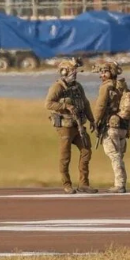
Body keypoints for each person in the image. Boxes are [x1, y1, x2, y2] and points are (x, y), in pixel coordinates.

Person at [45, 57, 96, 193]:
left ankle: (84, 184)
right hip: (65, 127)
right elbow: (48, 104)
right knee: (65, 156)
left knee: (86, 151)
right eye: (72, 71)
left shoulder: (78, 87)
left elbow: (85, 103)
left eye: (76, 71)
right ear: (64, 72)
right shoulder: (57, 87)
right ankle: (66, 184)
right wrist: (65, 106)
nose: (75, 74)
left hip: (78, 125)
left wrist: (92, 120)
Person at [92, 61, 130, 193]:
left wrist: (95, 122)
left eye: (103, 72)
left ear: (109, 73)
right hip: (123, 126)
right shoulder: (122, 86)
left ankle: (120, 184)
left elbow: (100, 106)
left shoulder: (106, 87)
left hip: (111, 126)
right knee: (118, 155)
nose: (101, 75)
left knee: (114, 155)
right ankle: (120, 183)